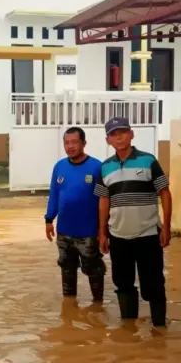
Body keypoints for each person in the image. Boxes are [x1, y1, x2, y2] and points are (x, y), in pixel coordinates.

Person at [94, 117, 172, 327]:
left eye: (122, 132)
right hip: (118, 236)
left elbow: (164, 193)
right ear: (108, 139)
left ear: (131, 134)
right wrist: (102, 232)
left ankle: (159, 327)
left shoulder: (148, 160)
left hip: (148, 234)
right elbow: (104, 200)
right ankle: (128, 329)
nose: (118, 137)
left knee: (153, 284)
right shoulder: (105, 167)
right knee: (123, 283)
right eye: (113, 134)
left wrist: (167, 226)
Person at [44, 127, 105, 303]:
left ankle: (98, 305)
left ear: (84, 143)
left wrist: (103, 230)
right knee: (67, 269)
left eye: (74, 142)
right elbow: (54, 195)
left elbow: (104, 200)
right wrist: (49, 219)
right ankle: (69, 308)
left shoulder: (96, 167)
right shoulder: (59, 167)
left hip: (88, 232)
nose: (70, 146)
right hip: (64, 231)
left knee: (94, 270)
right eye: (66, 143)